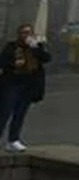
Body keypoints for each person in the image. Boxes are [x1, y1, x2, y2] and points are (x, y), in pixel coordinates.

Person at [0, 23, 52, 152]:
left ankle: (13, 140)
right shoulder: (12, 46)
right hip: (13, 84)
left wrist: (35, 47)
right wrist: (13, 63)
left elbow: (47, 58)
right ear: (19, 34)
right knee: (5, 112)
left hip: (29, 85)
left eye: (29, 32)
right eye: (24, 32)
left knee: (20, 113)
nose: (27, 35)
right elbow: (2, 61)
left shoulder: (36, 47)